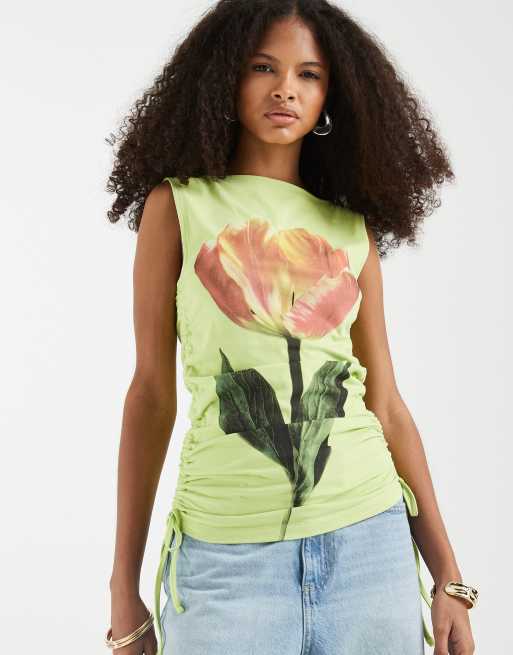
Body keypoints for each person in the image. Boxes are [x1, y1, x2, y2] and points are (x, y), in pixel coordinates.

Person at [104, 1, 478, 654]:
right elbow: (151, 395)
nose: (285, 88)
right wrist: (122, 584)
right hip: (225, 562)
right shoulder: (179, 206)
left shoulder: (349, 229)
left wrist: (447, 575)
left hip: (369, 548)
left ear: (332, 96)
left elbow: (386, 405)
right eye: (262, 68)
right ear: (224, 78)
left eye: (308, 74)